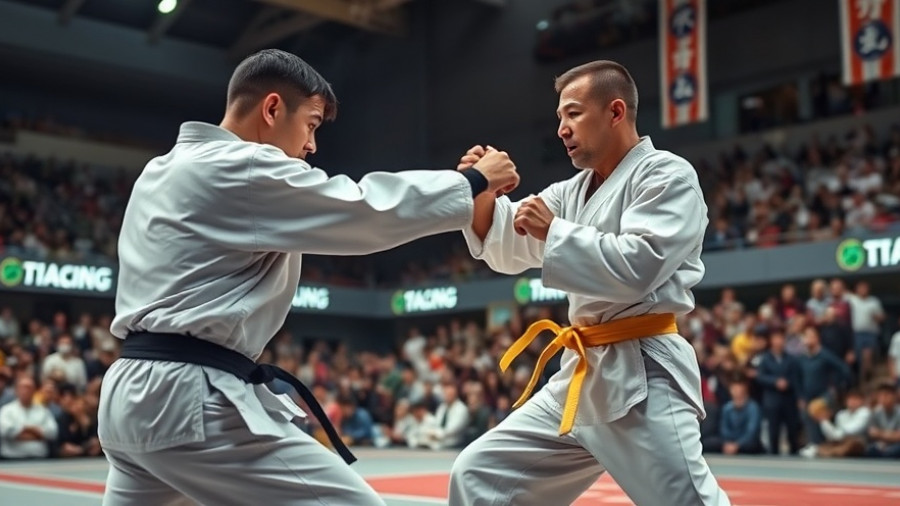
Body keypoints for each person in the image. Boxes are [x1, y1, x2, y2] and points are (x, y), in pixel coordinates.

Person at [97, 49, 519, 506]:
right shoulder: (241, 165)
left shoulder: (160, 169)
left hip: (128, 394)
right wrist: (472, 183)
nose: (312, 145)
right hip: (189, 398)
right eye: (311, 124)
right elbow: (363, 210)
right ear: (272, 109)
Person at [449, 60, 730, 505]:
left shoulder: (667, 174)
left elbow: (639, 268)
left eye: (574, 114)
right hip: (581, 376)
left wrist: (554, 232)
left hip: (642, 373)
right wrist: (482, 191)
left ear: (615, 112)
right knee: (480, 473)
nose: (562, 128)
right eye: (560, 116)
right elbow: (506, 245)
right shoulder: (571, 191)